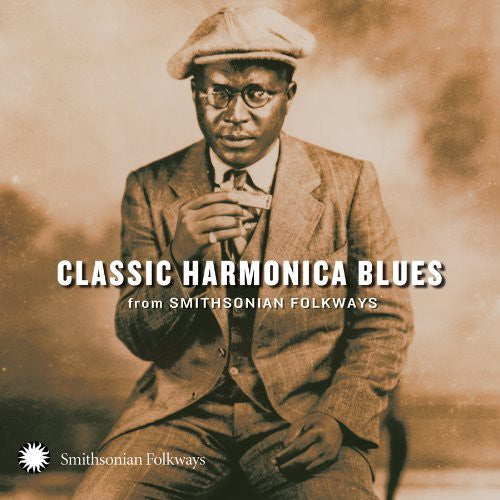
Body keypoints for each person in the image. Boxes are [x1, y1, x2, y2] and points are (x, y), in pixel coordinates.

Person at [73, 6, 413, 499]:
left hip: (303, 415)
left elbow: (385, 318)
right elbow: (141, 338)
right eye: (218, 93)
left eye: (257, 93)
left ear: (288, 96)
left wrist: (338, 416)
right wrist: (180, 258)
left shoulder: (350, 181)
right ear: (195, 94)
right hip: (181, 417)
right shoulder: (149, 187)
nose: (235, 115)